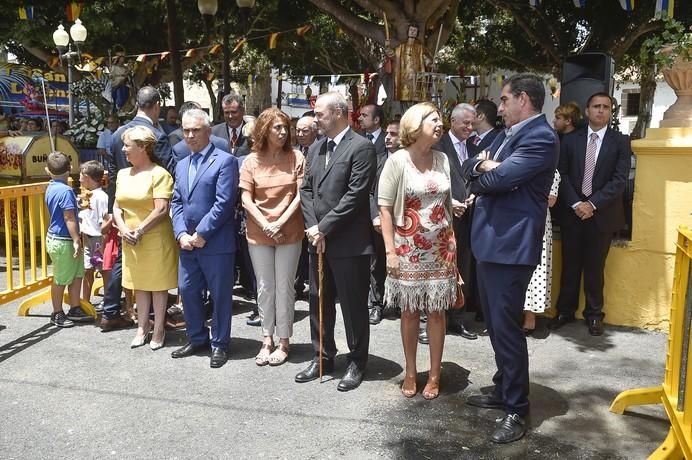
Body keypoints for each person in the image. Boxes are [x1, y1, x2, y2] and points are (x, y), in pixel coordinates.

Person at [461, 73, 559, 443]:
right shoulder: (507, 135)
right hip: (491, 244)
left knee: (508, 330)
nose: (499, 108)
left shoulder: (540, 138)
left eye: (503, 100)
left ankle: (517, 408)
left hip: (510, 248)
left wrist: (487, 171)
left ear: (523, 99)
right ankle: (504, 387)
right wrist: (484, 168)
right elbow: (473, 167)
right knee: (497, 327)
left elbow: (497, 181)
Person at [297, 91, 376, 392]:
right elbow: (305, 190)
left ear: (340, 113)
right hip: (317, 240)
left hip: (348, 242)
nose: (315, 118)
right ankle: (322, 355)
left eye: (320, 113)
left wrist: (325, 227)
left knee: (353, 306)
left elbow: (356, 195)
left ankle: (357, 361)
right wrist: (313, 227)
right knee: (319, 300)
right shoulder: (316, 148)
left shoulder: (361, 147)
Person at [379, 102, 456, 401]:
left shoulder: (443, 159)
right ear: (415, 124)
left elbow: (446, 204)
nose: (440, 124)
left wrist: (454, 245)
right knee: (410, 311)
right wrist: (390, 253)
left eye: (440, 120)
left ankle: (434, 375)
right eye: (433, 119)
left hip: (442, 248)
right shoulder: (397, 160)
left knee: (437, 312)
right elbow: (385, 208)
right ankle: (411, 372)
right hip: (407, 248)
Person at [551, 93, 630, 336]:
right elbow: (561, 174)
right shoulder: (570, 140)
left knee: (596, 267)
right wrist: (576, 203)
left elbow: (619, 180)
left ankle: (594, 315)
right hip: (572, 213)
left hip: (602, 214)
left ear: (611, 112)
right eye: (596, 106)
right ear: (587, 110)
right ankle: (565, 311)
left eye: (606, 107)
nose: (601, 111)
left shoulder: (620, 141)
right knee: (570, 265)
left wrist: (592, 204)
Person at [100, 86, 173, 333]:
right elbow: (170, 171)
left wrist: (114, 212)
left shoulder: (117, 132)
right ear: (157, 105)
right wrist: (117, 213)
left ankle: (113, 310)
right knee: (139, 271)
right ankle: (144, 318)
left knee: (134, 267)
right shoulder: (155, 134)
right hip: (133, 215)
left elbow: (109, 174)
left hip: (137, 217)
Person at [170, 109, 239, 368]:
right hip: (187, 242)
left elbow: (224, 203)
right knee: (187, 290)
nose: (190, 135)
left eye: (196, 130)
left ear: (208, 132)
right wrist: (181, 233)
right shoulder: (182, 163)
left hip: (215, 242)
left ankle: (219, 343)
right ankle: (197, 337)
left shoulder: (224, 161)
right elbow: (176, 201)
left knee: (220, 295)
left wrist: (201, 233)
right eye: (186, 130)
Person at [239, 108, 305, 367]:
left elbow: (301, 195)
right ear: (264, 130)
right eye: (277, 127)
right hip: (259, 231)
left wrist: (279, 221)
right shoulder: (250, 161)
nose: (283, 131)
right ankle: (266, 338)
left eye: (285, 127)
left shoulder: (296, 157)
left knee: (285, 286)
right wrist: (266, 223)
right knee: (265, 286)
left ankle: (284, 340)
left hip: (289, 230)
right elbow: (246, 198)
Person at [112, 126, 178, 350]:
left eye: (127, 145)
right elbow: (117, 207)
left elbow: (161, 209)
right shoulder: (122, 174)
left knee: (158, 286)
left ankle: (158, 327)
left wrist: (139, 230)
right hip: (130, 239)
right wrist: (123, 229)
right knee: (138, 284)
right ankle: (142, 326)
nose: (124, 150)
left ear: (143, 147)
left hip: (154, 238)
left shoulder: (159, 174)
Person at [432, 103, 478, 341]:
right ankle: (432, 321)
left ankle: (458, 319)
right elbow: (429, 182)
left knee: (464, 268)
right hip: (441, 219)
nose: (469, 128)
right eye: (465, 123)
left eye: (472, 123)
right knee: (439, 269)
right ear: (453, 121)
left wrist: (474, 194)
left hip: (468, 218)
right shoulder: (437, 147)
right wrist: (450, 203)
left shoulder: (475, 147)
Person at [44, 151, 89, 327]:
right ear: (70, 168)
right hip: (64, 239)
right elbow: (69, 218)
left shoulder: (52, 187)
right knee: (61, 277)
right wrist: (77, 239)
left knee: (77, 274)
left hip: (60, 238)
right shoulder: (66, 191)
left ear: (47, 170)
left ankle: (75, 306)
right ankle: (56, 311)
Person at [369, 120, 401, 325]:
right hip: (380, 222)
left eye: (393, 134)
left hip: (405, 223)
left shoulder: (410, 161)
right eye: (387, 133)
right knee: (377, 264)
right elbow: (369, 191)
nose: (387, 137)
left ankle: (400, 303)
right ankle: (376, 305)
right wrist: (375, 216)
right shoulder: (378, 160)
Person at [523, 171, 561, 333]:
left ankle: (530, 316)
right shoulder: (516, 164)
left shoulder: (552, 171)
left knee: (535, 271)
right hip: (514, 221)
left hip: (537, 222)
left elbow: (551, 201)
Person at [293, 115, 319, 298]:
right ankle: (296, 285)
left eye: (305, 130)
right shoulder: (293, 152)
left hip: (315, 210)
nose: (300, 134)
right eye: (298, 130)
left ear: (315, 131)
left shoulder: (322, 150)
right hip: (295, 210)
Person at [78, 160, 109, 305]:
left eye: (81, 175)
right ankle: (85, 301)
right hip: (87, 236)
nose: (79, 178)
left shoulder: (101, 197)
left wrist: (104, 242)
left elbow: (104, 220)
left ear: (88, 177)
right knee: (87, 269)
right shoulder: (86, 194)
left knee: (103, 269)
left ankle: (108, 300)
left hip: (98, 238)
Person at [390, 24, 426, 102]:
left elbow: (424, 59)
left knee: (416, 99)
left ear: (417, 33)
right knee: (404, 99)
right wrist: (387, 48)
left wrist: (430, 62)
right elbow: (393, 54)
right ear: (408, 32)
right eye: (411, 30)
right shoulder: (401, 47)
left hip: (416, 78)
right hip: (404, 78)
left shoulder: (419, 47)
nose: (412, 32)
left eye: (414, 30)